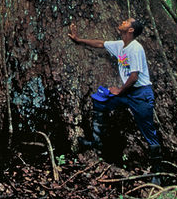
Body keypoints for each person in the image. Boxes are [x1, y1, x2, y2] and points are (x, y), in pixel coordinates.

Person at [69, 17, 162, 182]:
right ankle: (97, 143)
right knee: (100, 102)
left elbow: (134, 76)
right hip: (127, 93)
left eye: (127, 22)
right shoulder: (120, 45)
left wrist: (119, 90)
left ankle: (157, 173)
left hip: (140, 94)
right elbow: (100, 44)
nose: (123, 22)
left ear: (131, 30)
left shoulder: (135, 48)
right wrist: (78, 39)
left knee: (148, 131)